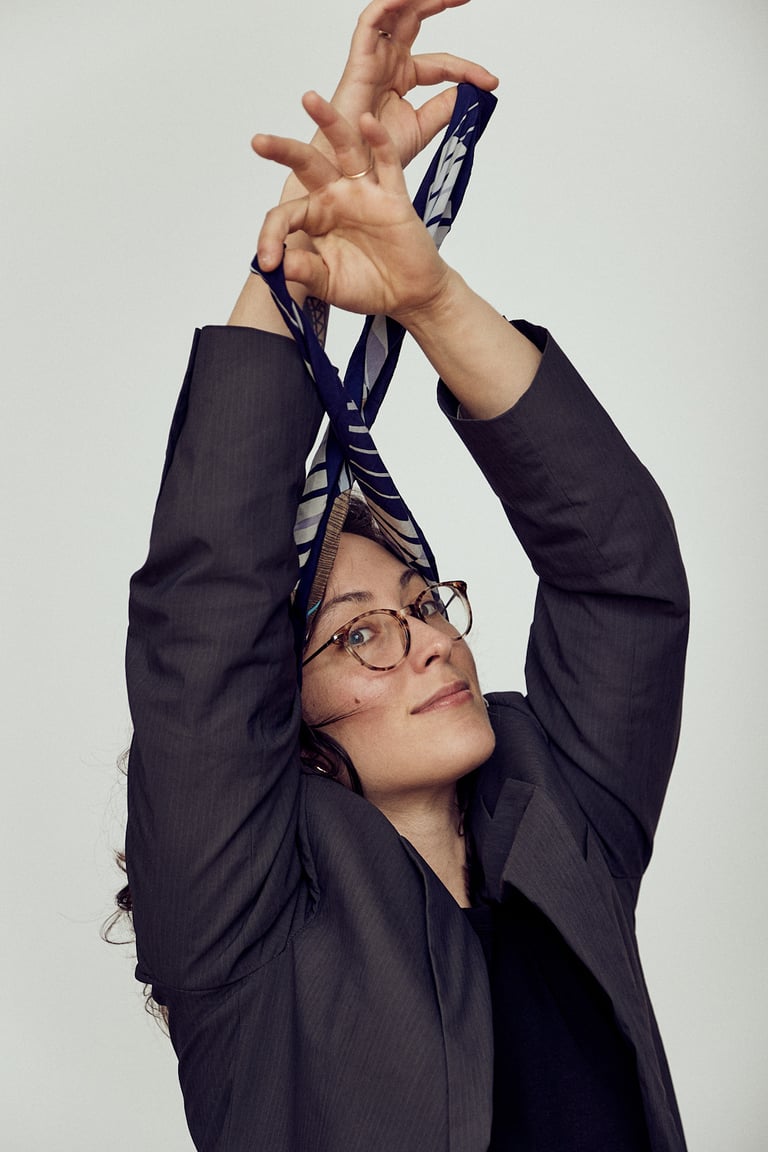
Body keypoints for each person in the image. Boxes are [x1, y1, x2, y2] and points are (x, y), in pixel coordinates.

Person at [120, 1, 690, 1148]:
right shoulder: (237, 931)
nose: (429, 638)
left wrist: (427, 297)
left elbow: (619, 569)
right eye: (358, 634)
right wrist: (293, 254)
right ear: (276, 709)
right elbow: (206, 609)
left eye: (423, 604)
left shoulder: (560, 822)